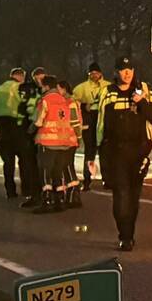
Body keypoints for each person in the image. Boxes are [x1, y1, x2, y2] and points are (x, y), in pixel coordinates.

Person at [96, 56, 152, 251]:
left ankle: (130, 233)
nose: (127, 73)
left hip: (139, 152)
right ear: (116, 72)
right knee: (121, 194)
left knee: (133, 196)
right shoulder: (108, 93)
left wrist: (141, 102)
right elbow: (101, 124)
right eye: (123, 70)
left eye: (130, 69)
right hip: (116, 152)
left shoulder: (145, 90)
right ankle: (124, 235)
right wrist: (97, 154)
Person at [32, 74, 82, 213]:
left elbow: (38, 121)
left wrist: (30, 130)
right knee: (58, 172)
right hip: (64, 143)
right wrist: (78, 138)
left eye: (42, 87)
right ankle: (59, 199)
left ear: (46, 86)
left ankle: (47, 200)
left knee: (45, 171)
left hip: (47, 142)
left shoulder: (45, 100)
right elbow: (73, 121)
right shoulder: (65, 101)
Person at [0, 68, 26, 199]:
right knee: (23, 160)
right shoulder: (19, 88)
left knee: (8, 162)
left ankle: (10, 190)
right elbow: (23, 105)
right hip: (17, 126)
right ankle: (25, 188)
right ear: (21, 77)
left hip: (2, 127)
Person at [16, 65, 47, 207]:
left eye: (42, 79)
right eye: (38, 79)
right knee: (30, 164)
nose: (40, 81)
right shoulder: (27, 89)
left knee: (40, 165)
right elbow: (23, 109)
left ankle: (42, 194)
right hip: (30, 130)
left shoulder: (48, 91)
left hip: (41, 132)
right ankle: (33, 193)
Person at [71, 63, 106, 187]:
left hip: (103, 120)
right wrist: (83, 106)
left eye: (96, 73)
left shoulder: (107, 86)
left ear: (100, 73)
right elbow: (72, 102)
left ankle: (107, 179)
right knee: (89, 151)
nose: (94, 75)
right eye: (92, 73)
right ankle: (87, 179)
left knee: (105, 151)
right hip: (89, 120)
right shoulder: (82, 88)